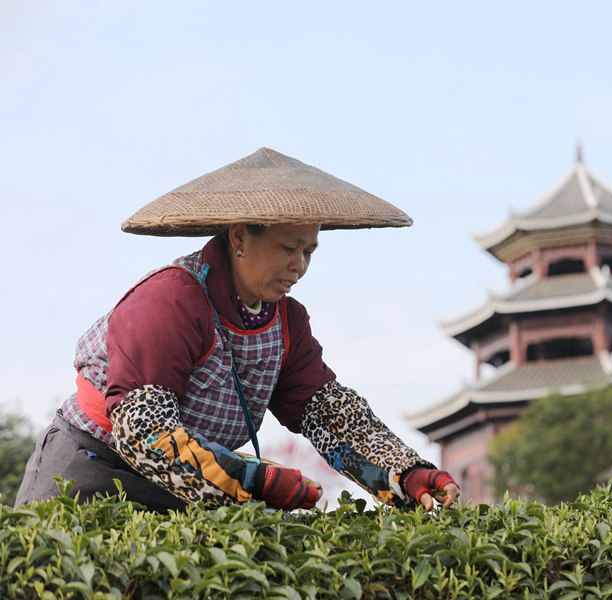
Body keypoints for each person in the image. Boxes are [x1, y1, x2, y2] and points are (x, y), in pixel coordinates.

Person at [15, 148, 460, 513]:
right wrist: (257, 479)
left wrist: (407, 475)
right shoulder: (170, 300)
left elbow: (328, 414)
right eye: (288, 248)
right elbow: (143, 432)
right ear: (241, 237)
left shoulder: (288, 322)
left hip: (195, 489)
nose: (299, 266)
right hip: (92, 467)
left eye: (309, 251)